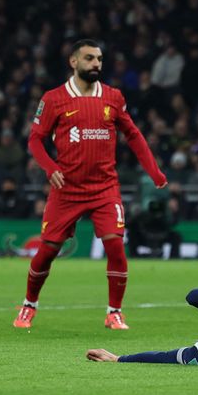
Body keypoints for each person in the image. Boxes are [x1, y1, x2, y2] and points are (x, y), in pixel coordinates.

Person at [16, 39, 167, 330]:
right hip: (67, 189)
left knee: (115, 246)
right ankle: (29, 305)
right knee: (47, 250)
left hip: (104, 188)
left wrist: (154, 171)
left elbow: (133, 134)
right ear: (74, 62)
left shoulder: (113, 97)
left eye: (99, 59)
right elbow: (35, 140)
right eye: (89, 58)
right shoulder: (53, 98)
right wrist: (50, 168)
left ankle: (114, 313)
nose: (96, 64)